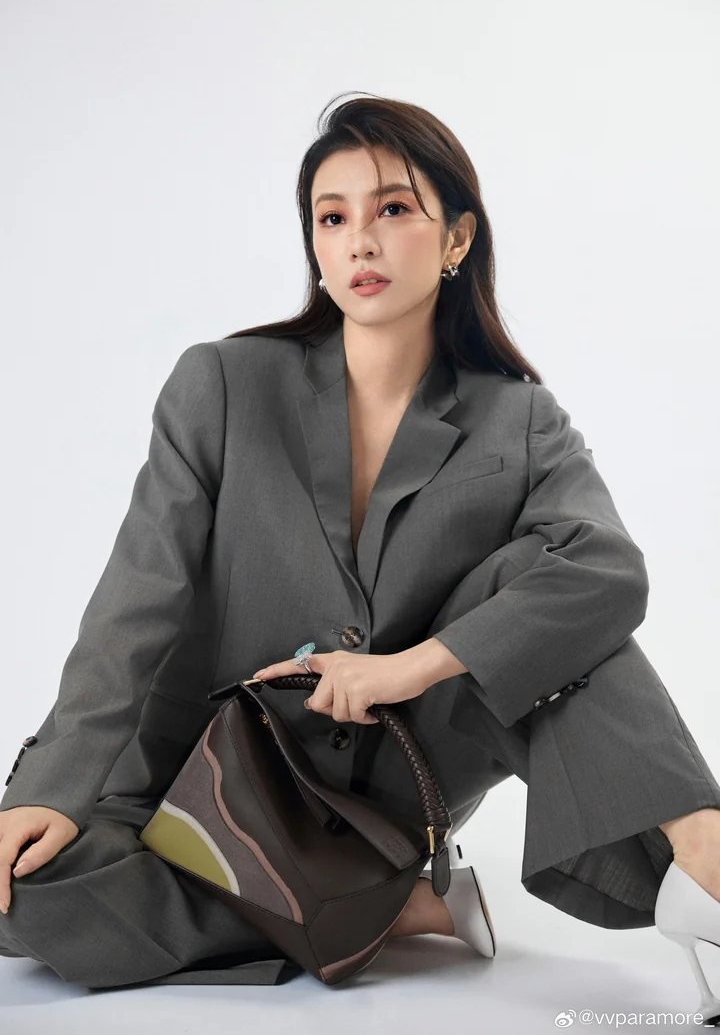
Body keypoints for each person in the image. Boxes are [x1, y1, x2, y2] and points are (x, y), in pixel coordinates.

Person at [1, 92, 719, 1012]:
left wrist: (405, 669)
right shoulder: (223, 385)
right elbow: (138, 597)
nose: (359, 243)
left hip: (396, 775)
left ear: (457, 238)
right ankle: (392, 907)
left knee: (551, 589)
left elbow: (607, 570)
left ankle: (707, 863)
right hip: (214, 779)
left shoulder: (519, 417)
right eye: (332, 218)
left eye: (393, 209)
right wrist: (53, 790)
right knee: (26, 897)